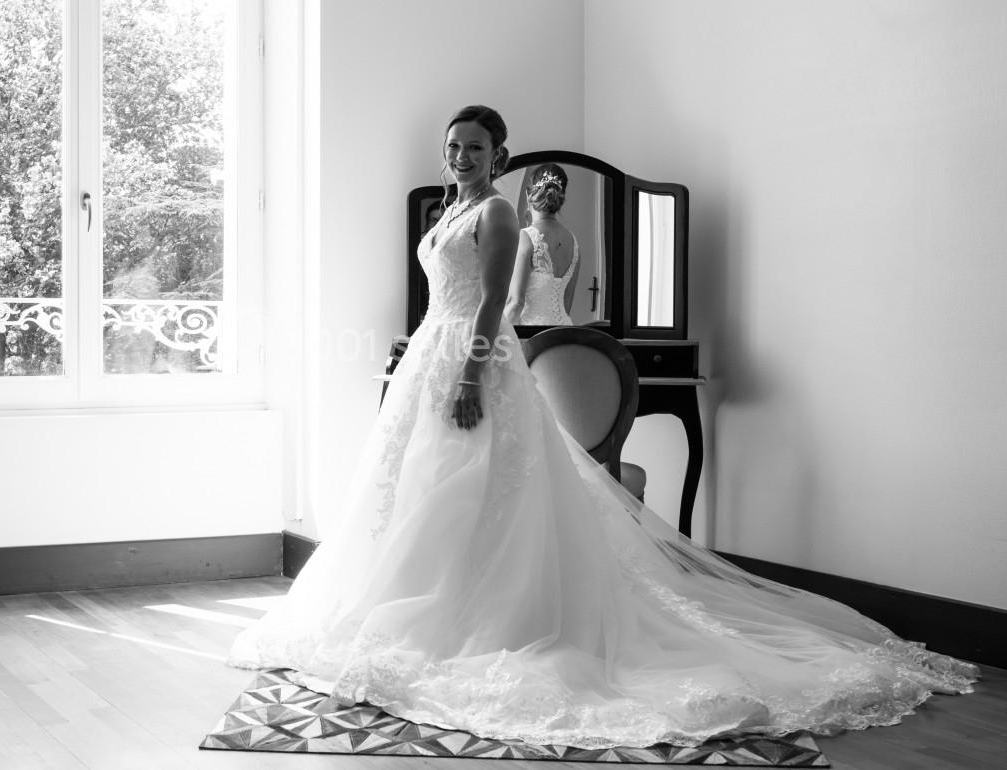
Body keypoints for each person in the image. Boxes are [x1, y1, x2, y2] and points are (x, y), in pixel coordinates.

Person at [228, 105, 978, 749]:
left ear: (502, 158)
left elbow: (495, 303)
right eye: (454, 145)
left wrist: (467, 373)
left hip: (470, 355)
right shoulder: (449, 210)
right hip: (432, 350)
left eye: (477, 148)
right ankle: (421, 606)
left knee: (475, 485)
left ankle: (482, 617)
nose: (462, 156)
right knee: (422, 486)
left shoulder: (495, 213)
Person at [505, 163, 581, 325]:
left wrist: (494, 336)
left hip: (531, 333)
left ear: (528, 194)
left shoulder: (527, 237)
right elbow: (567, 304)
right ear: (561, 196)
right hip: (563, 330)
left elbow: (516, 302)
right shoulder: (573, 242)